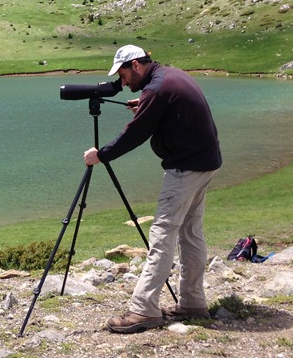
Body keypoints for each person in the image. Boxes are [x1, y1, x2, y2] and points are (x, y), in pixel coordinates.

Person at [83, 44, 222, 333]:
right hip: (205, 162)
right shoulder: (168, 77)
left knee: (162, 233)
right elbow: (166, 108)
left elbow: (135, 134)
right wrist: (145, 105)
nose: (122, 82)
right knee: (191, 233)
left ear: (135, 65)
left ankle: (144, 310)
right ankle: (193, 302)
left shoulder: (157, 90)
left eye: (123, 74)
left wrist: (102, 155)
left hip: (185, 168)